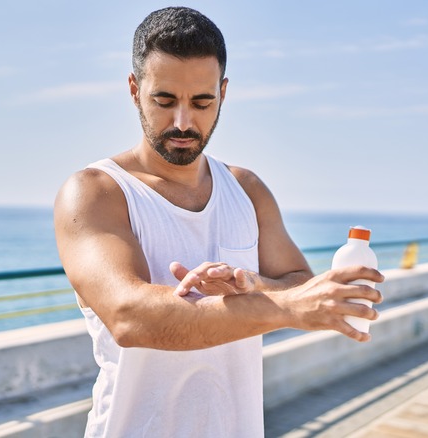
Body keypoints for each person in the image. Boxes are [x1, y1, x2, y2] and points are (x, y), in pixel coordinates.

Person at [53, 7, 384, 437]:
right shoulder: (95, 192)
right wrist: (281, 306)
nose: (183, 122)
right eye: (165, 100)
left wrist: (251, 285)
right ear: (134, 90)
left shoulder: (247, 189)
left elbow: (299, 281)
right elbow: (128, 317)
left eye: (202, 101)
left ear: (223, 93)